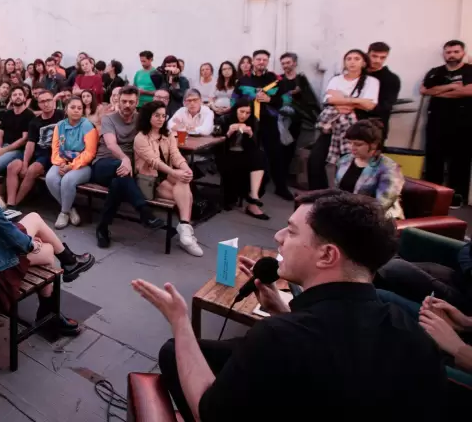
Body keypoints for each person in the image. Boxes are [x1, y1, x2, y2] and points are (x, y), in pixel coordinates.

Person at [138, 190, 445, 422]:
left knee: (177, 346)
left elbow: (208, 412)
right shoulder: (413, 334)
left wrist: (179, 320)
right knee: (174, 351)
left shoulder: (277, 337)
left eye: (292, 231)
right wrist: (281, 312)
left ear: (327, 255)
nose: (278, 237)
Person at [0, 132, 95, 332]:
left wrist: (27, 242)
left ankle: (67, 267)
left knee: (34, 222)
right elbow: (7, 233)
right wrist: (30, 244)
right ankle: (52, 309)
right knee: (47, 250)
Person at [91, 86, 166, 248]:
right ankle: (144, 212)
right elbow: (111, 144)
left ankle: (102, 228)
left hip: (124, 171)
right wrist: (124, 159)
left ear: (137, 102)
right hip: (103, 165)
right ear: (118, 100)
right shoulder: (109, 119)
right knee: (120, 169)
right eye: (124, 101)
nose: (127, 105)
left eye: (131, 102)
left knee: (118, 183)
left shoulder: (140, 120)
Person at [134, 101, 199, 255]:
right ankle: (187, 233)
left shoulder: (168, 134)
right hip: (150, 180)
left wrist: (185, 167)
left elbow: (176, 155)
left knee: (183, 181)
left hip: (167, 175)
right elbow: (153, 162)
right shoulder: (141, 138)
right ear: (148, 116)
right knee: (186, 195)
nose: (161, 119)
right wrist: (175, 173)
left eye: (164, 115)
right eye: (157, 115)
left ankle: (184, 229)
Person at [309, 49, 379, 189]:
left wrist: (343, 99)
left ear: (364, 63)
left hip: (356, 128)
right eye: (349, 59)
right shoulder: (336, 79)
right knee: (315, 161)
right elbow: (329, 99)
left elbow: (369, 105)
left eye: (356, 59)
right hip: (333, 126)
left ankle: (346, 198)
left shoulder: (371, 81)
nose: (352, 62)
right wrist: (356, 101)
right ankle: (318, 194)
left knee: (351, 163)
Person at [234, 50, 294, 200]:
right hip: (249, 121)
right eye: (258, 59)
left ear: (267, 62)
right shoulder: (243, 80)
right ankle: (247, 187)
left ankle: (281, 187)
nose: (261, 62)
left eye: (264, 60)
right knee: (247, 153)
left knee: (275, 155)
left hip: (269, 121)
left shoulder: (276, 79)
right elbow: (234, 101)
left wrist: (269, 100)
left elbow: (287, 100)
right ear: (253, 61)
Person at [421, 39, 472, 208]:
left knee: (460, 161)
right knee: (434, 159)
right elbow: (425, 90)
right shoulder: (435, 72)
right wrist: (452, 87)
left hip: (463, 124)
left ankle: (456, 198)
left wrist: (439, 91)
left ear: (463, 53)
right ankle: (431, 195)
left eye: (456, 52)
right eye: (448, 52)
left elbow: (468, 91)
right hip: (436, 122)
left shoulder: (470, 70)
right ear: (444, 54)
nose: (452, 55)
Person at [335, 119, 404, 219]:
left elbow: (382, 205)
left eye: (358, 144)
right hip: (347, 214)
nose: (352, 147)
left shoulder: (389, 168)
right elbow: (338, 192)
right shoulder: (345, 160)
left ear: (374, 145)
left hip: (377, 219)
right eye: (350, 143)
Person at [46, 96, 98, 229]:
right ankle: (70, 209)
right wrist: (61, 163)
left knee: (67, 180)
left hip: (82, 165)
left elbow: (89, 153)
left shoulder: (87, 126)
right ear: (66, 109)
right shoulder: (60, 126)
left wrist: (71, 166)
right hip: (62, 162)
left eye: (79, 108)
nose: (76, 110)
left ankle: (63, 213)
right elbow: (55, 148)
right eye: (73, 107)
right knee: (51, 178)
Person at [5, 89, 63, 208]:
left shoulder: (62, 116)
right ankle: (9, 203)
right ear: (38, 104)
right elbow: (30, 144)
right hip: (37, 153)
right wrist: (25, 163)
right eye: (42, 101)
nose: (46, 104)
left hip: (51, 155)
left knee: (32, 169)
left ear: (53, 101)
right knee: (12, 166)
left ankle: (15, 205)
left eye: (48, 100)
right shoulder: (34, 122)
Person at [218, 103, 268, 219]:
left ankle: (254, 196)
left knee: (260, 158)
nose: (244, 115)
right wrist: (228, 133)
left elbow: (256, 145)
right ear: (236, 110)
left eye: (247, 113)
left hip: (245, 155)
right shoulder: (225, 119)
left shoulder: (253, 121)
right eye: (241, 111)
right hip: (227, 155)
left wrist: (251, 134)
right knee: (253, 162)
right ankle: (251, 200)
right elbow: (217, 142)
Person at [277, 52, 321, 172]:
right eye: (283, 63)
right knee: (278, 146)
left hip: (296, 119)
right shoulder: (279, 79)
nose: (286, 65)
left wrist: (299, 94)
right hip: (280, 118)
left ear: (295, 63)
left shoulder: (300, 80)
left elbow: (309, 99)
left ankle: (285, 172)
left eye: (288, 62)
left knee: (290, 146)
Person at [0, 85, 33, 184]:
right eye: (14, 95)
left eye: (20, 94)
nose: (17, 96)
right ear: (10, 98)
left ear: (24, 97)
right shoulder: (8, 114)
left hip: (18, 151)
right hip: (3, 147)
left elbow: (24, 139)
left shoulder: (29, 115)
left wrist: (3, 150)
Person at [365, 42, 400, 140]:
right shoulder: (357, 73)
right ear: (367, 54)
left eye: (382, 57)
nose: (377, 60)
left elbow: (385, 106)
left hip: (374, 128)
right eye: (374, 56)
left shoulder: (391, 79)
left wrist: (357, 104)